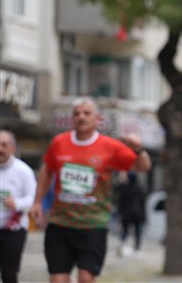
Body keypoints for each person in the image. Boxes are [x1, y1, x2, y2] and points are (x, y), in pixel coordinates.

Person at [28, 97, 152, 283]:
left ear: (98, 118)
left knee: (85, 278)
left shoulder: (110, 146)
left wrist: (139, 149)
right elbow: (47, 170)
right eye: (77, 114)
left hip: (93, 224)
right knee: (57, 279)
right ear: (72, 118)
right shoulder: (59, 142)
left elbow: (143, 167)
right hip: (60, 222)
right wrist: (37, 201)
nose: (81, 117)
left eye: (86, 113)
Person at [0, 130, 37, 283]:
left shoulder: (23, 171)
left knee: (9, 274)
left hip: (14, 229)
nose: (0, 149)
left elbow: (33, 198)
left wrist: (16, 203)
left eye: (4, 145)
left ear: (13, 148)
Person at [115, 171, 146, 257]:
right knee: (137, 232)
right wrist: (144, 216)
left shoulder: (124, 189)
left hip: (126, 214)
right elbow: (142, 203)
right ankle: (137, 248)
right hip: (137, 214)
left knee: (125, 231)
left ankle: (122, 245)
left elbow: (120, 201)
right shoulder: (139, 189)